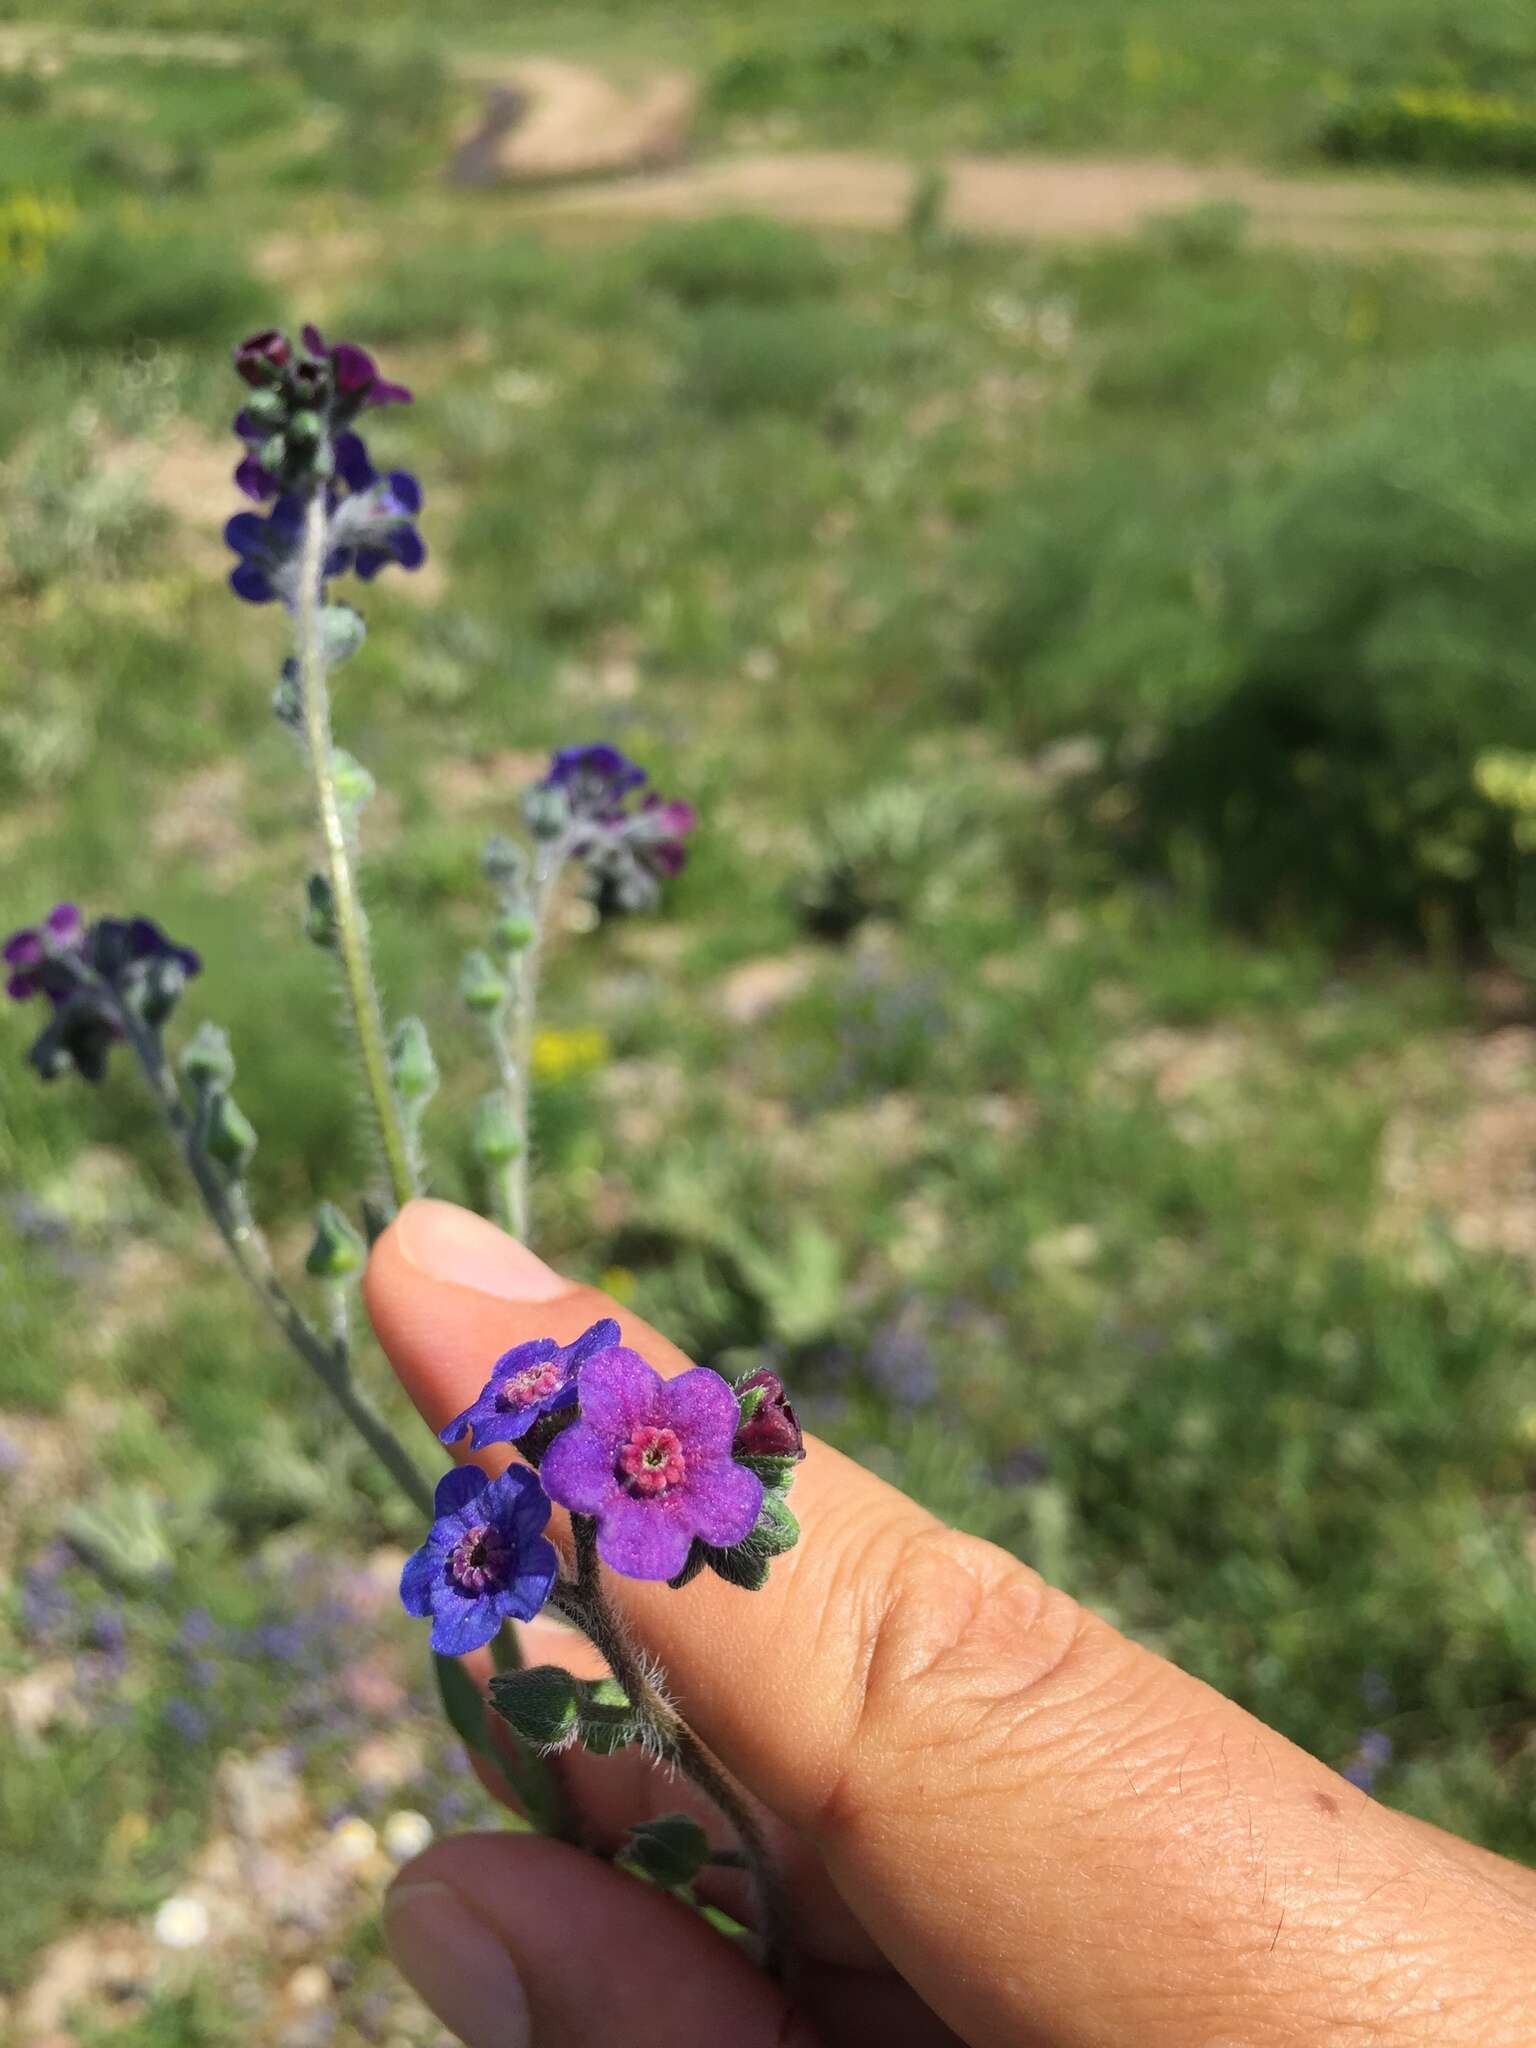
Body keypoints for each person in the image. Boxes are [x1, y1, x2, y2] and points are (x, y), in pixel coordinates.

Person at [366, 1201, 1536, 2047]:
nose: (654, 1450)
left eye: (663, 1446)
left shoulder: (685, 1475)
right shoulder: (564, 1486)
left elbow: (708, 1456)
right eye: (647, 1450)